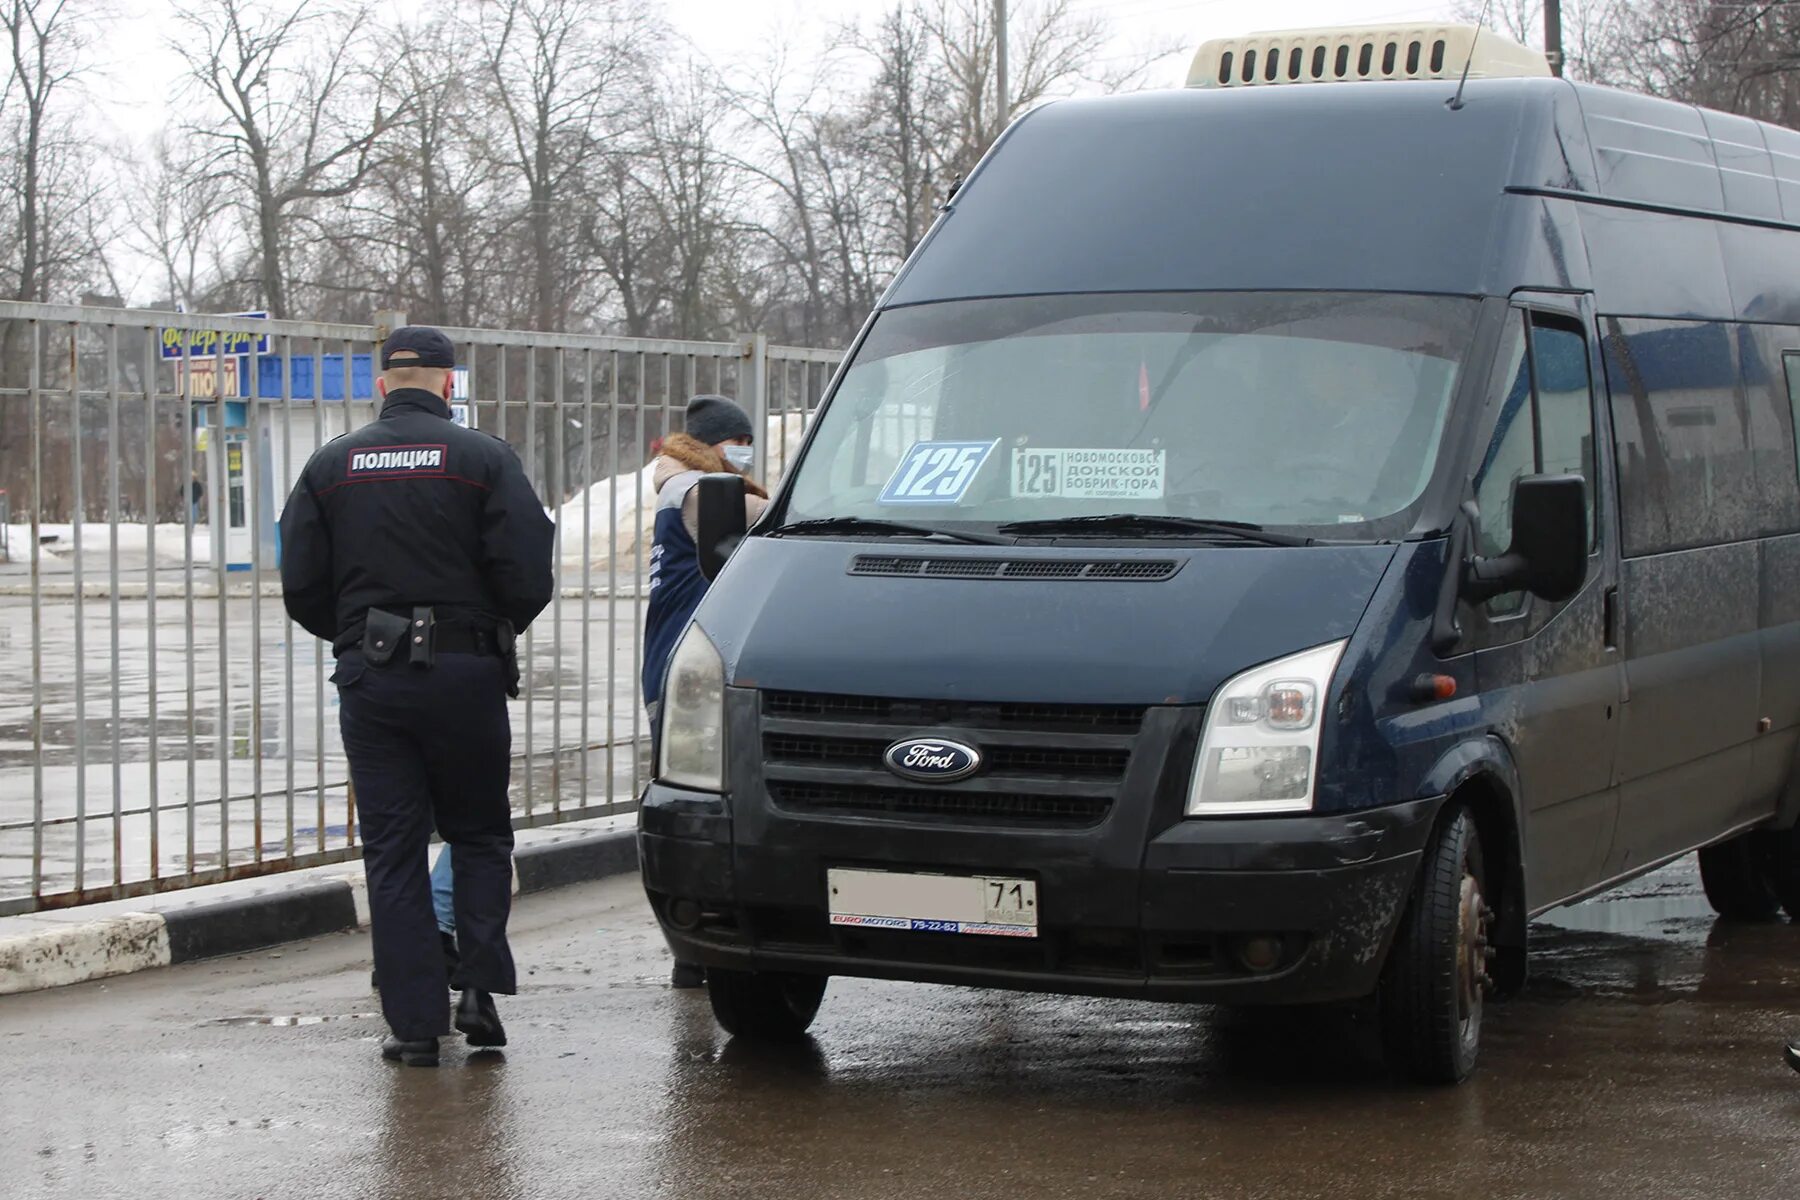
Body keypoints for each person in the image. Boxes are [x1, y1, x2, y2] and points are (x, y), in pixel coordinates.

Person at [279, 325, 553, 1067]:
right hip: (467, 674)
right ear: (448, 382)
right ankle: (480, 992)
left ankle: (413, 1026)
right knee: (480, 833)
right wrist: (490, 629)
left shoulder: (332, 465)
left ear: (380, 384)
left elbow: (301, 582)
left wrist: (358, 634)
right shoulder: (484, 458)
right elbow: (529, 570)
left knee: (393, 851)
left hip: (375, 677)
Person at [642, 395, 769, 989]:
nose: (746, 451)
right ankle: (696, 949)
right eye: (739, 442)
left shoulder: (686, 480)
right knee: (699, 812)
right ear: (720, 444)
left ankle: (698, 951)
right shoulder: (693, 488)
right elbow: (773, 520)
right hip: (687, 675)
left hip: (686, 670)